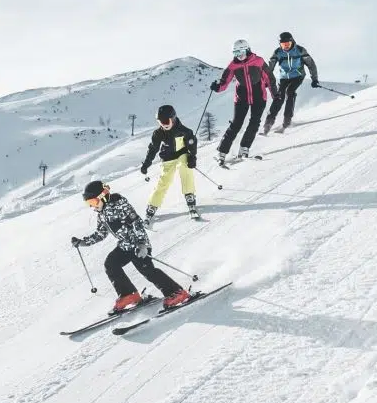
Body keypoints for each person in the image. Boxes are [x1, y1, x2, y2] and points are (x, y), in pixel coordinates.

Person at [72, 181, 189, 311]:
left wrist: (142, 244)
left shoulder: (119, 205)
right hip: (124, 246)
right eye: (89, 204)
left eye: (93, 202)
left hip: (138, 245)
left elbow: (137, 223)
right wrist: (83, 242)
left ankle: (177, 293)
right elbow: (100, 234)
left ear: (102, 196)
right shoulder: (102, 214)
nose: (92, 207)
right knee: (111, 264)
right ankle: (129, 295)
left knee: (147, 271)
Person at [211, 39, 274, 161]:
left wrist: (275, 93)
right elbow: (225, 81)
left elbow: (269, 78)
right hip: (241, 98)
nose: (239, 56)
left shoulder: (258, 61)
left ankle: (244, 148)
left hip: (259, 96)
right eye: (236, 53)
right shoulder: (233, 65)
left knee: (254, 122)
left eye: (241, 52)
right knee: (236, 124)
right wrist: (217, 87)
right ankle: (222, 151)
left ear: (247, 49)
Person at [140, 104, 201, 225]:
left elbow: (192, 143)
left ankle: (189, 195)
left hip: (182, 154)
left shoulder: (184, 131)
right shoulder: (158, 133)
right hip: (167, 158)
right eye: (160, 121)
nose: (163, 124)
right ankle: (152, 205)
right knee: (164, 180)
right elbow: (153, 149)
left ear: (173, 118)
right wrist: (146, 164)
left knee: (185, 166)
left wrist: (192, 157)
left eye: (165, 121)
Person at [266, 32, 319, 132]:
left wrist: (314, 79)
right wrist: (266, 80)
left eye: (288, 44)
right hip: (284, 77)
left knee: (290, 92)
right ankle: (268, 123)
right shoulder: (277, 52)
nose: (285, 47)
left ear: (292, 42)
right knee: (279, 97)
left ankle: (287, 120)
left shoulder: (300, 50)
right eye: (283, 45)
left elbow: (311, 64)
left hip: (297, 76)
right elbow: (270, 67)